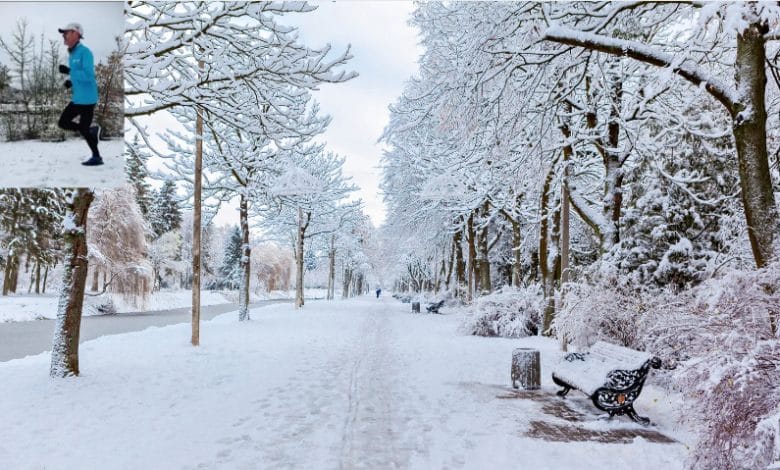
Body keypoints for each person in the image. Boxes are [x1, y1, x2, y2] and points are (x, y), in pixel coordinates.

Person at [57, 22, 103, 166]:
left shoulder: (85, 52)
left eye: (66, 33)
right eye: (63, 33)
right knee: (63, 123)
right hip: (78, 98)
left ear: (76, 34)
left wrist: (70, 72)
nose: (64, 36)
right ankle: (90, 130)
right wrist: (70, 81)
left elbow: (89, 76)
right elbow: (78, 75)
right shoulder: (73, 54)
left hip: (88, 99)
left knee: (82, 129)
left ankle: (97, 157)